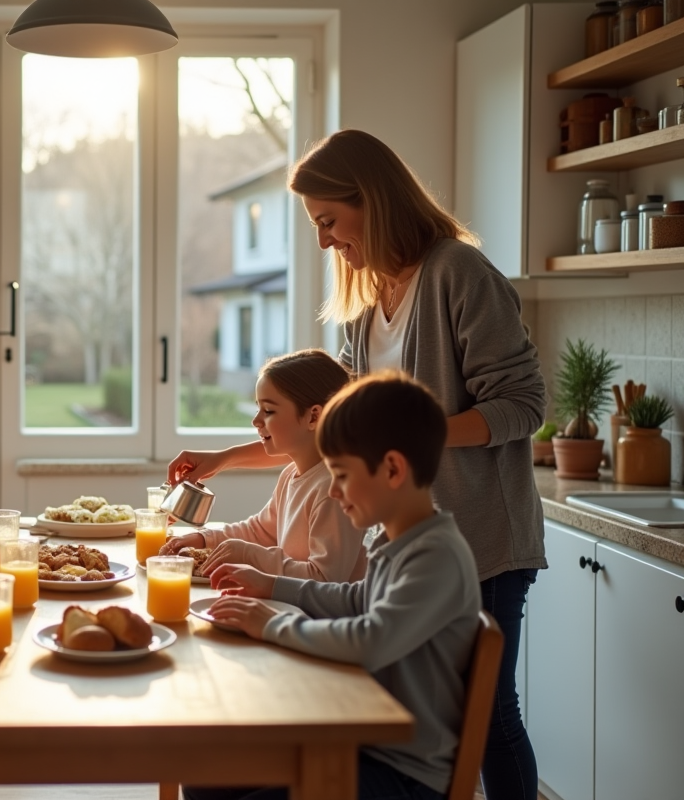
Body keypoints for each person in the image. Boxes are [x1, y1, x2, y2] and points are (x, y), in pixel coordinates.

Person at [167, 129, 546, 800]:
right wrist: (226, 458)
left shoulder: (457, 273)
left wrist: (410, 435)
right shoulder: (368, 304)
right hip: (397, 531)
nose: (323, 241)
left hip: (479, 534)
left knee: (488, 721)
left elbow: (522, 405)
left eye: (329, 221)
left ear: (371, 201)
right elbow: (332, 433)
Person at [195, 372, 481, 800]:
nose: (332, 489)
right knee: (205, 782)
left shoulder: (435, 557)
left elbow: (371, 638)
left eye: (342, 474)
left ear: (392, 469)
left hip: (404, 773)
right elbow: (356, 598)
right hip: (364, 743)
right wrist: (271, 586)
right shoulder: (396, 541)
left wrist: (268, 625)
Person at [160, 349, 366, 582]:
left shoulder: (333, 490)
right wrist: (205, 539)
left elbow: (325, 580)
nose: (256, 420)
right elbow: (259, 531)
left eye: (268, 411)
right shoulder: (291, 475)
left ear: (313, 417)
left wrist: (249, 556)